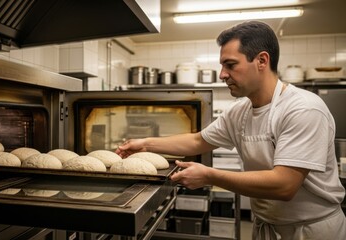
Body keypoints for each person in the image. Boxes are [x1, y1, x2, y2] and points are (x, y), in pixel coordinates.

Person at [116, 21, 346, 239]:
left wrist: (209, 176)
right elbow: (197, 141)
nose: (222, 74)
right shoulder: (240, 112)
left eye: (230, 65)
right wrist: (144, 144)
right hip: (266, 226)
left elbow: (284, 185)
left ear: (262, 61)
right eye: (222, 65)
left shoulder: (302, 109)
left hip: (310, 231)